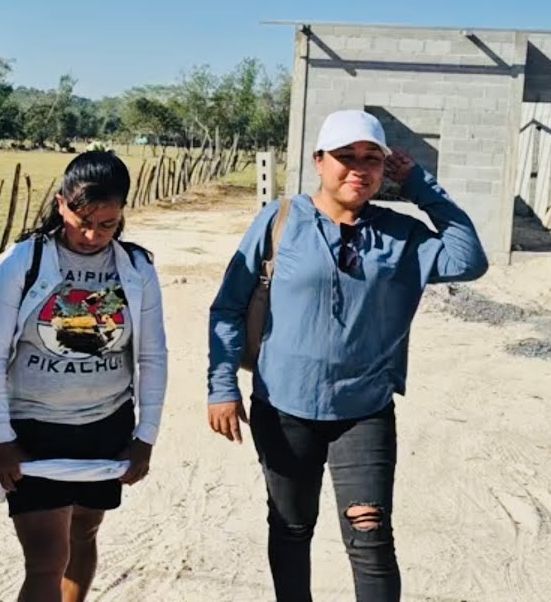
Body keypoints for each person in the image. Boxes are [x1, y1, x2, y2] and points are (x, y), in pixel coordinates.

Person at [207, 109, 488, 601]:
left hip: (364, 413)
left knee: (371, 539)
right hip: (283, 406)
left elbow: (468, 259)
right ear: (319, 161)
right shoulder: (281, 220)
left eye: (371, 159)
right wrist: (222, 386)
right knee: (291, 530)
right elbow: (229, 305)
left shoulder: (402, 236)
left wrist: (420, 185)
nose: (358, 168)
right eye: (345, 157)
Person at [0, 151, 168, 602]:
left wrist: (146, 436)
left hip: (106, 428)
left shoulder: (137, 269)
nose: (91, 235)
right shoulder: (23, 264)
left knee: (84, 536)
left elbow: (154, 356)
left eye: (107, 224)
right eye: (81, 220)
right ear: (61, 202)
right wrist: (1, 438)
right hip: (35, 431)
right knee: (45, 558)